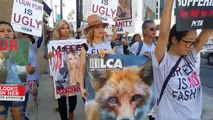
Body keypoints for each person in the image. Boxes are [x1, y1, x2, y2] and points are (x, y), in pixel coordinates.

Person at [152, 0, 213, 119]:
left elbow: (207, 30)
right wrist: (169, 2)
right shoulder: (163, 60)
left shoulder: (189, 56)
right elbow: (164, 34)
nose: (191, 46)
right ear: (174, 40)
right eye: (188, 42)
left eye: (193, 42)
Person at [0, 21, 35, 120]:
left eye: (9, 30)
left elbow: (32, 69)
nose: (6, 33)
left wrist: (31, 69)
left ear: (13, 33)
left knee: (18, 116)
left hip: (18, 90)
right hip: (1, 90)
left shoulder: (23, 48)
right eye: (2, 31)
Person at [79, 14, 115, 99]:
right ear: (91, 30)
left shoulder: (110, 45)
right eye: (97, 27)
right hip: (90, 87)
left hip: (110, 88)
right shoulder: (85, 47)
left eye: (102, 27)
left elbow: (117, 62)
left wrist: (108, 52)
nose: (100, 29)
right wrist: (81, 88)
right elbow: (82, 69)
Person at [51, 20, 76, 120]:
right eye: (63, 28)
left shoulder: (75, 41)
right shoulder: (53, 43)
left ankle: (71, 111)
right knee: (61, 101)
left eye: (67, 28)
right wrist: (49, 56)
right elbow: (49, 58)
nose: (66, 30)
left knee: (73, 100)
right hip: (59, 76)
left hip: (73, 75)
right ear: (58, 30)